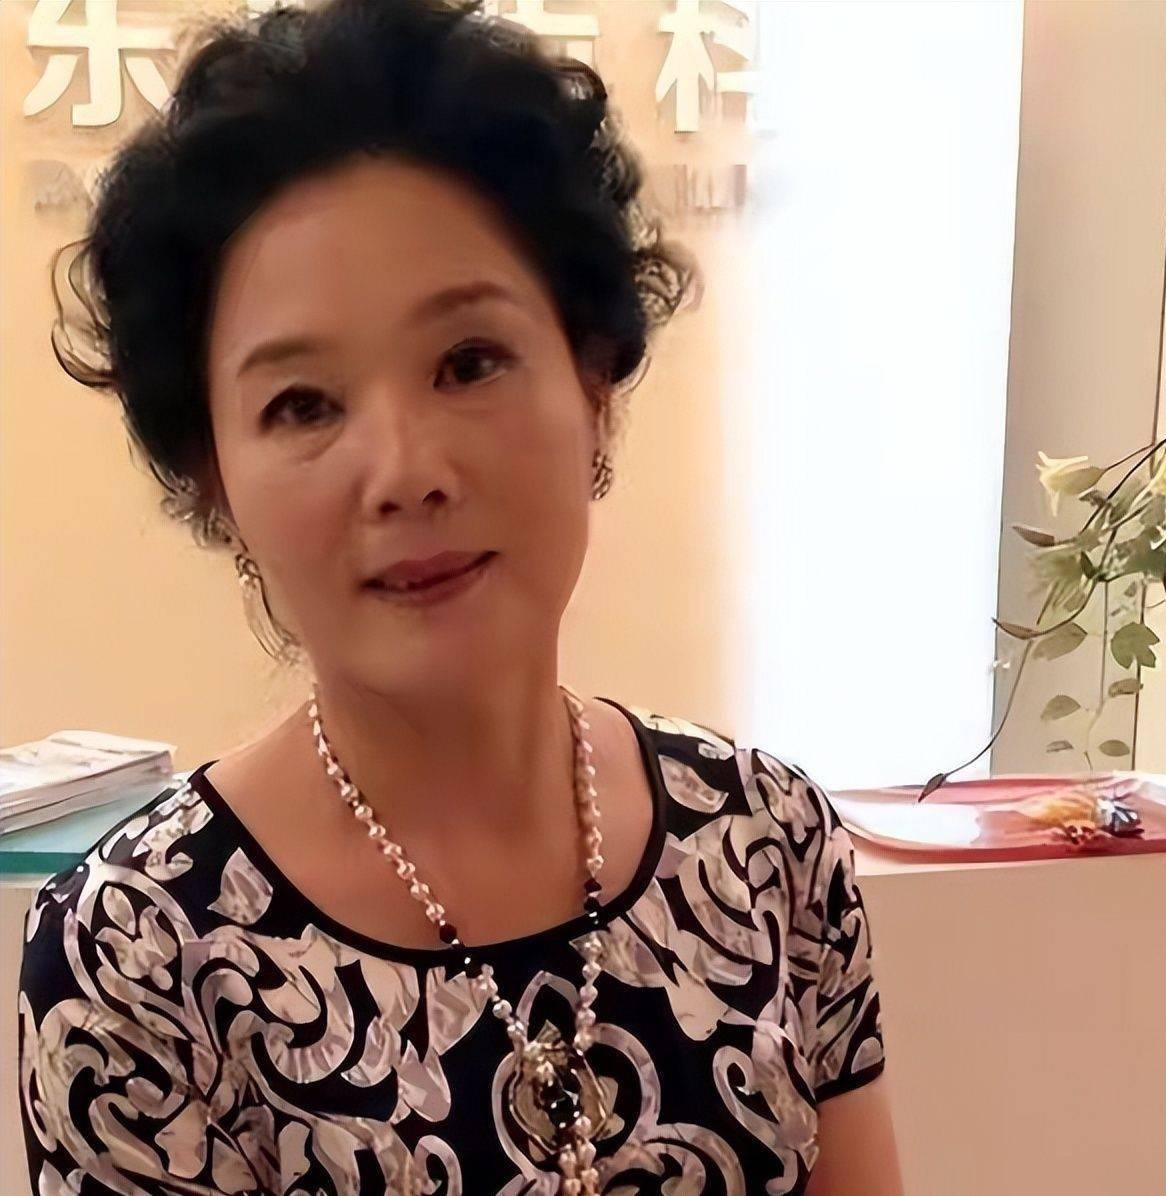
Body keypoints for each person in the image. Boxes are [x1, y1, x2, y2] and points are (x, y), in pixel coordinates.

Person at [17, 1, 901, 1192]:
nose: (407, 471)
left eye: (468, 362)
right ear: (215, 479)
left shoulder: (768, 839)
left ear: (593, 383)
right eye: (303, 404)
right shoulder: (139, 950)